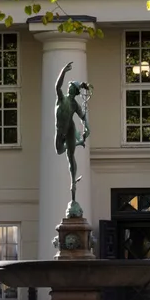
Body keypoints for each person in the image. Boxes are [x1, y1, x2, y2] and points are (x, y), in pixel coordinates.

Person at [54, 61, 91, 217]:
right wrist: (63, 71)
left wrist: (87, 128)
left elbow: (83, 117)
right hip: (60, 132)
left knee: (70, 156)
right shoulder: (61, 99)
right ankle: (78, 142)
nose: (69, 88)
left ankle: (73, 182)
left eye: (71, 87)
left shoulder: (75, 104)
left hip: (69, 129)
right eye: (69, 86)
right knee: (59, 150)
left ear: (75, 91)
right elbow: (57, 87)